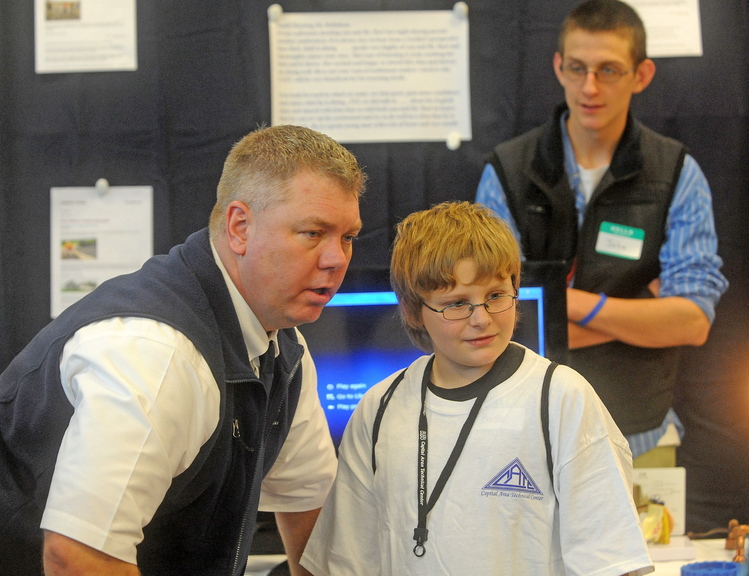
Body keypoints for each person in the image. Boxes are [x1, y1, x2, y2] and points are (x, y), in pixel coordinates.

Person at [0, 125, 365, 576]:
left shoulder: (285, 351)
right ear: (239, 227)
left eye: (348, 237)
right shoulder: (156, 354)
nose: (336, 259)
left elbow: (313, 518)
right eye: (313, 233)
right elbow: (78, 558)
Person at [300, 201, 653, 576]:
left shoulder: (562, 398)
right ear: (413, 311)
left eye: (496, 296)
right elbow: (343, 561)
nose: (481, 319)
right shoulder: (381, 407)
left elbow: (615, 562)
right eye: (456, 304)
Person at [476, 0, 728, 466]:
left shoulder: (676, 173)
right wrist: (642, 315)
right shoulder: (508, 170)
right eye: (578, 68)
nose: (590, 87)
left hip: (641, 434)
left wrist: (559, 304)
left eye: (609, 70)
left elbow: (692, 322)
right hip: (524, 432)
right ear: (559, 67)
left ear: (641, 74)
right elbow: (488, 319)